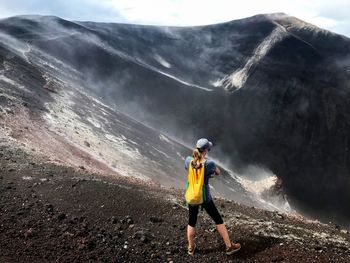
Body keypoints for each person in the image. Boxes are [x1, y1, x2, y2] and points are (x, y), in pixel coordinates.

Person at [185, 138, 241, 255]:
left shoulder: (188, 160)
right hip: (205, 198)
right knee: (218, 220)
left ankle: (191, 247)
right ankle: (229, 246)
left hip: (192, 196)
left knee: (192, 222)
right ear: (206, 150)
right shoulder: (209, 164)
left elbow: (190, 169)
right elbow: (217, 172)